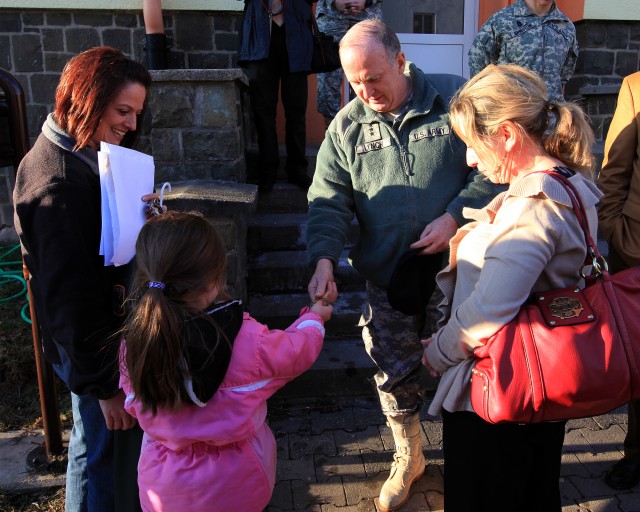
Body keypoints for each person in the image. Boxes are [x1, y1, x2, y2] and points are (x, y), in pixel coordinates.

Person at [306, 19, 503, 512]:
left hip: (458, 275)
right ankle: (409, 455)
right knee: (394, 373)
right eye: (354, 81)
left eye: (374, 77)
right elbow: (328, 201)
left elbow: (498, 165)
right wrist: (324, 258)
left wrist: (455, 215)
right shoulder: (347, 126)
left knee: (465, 370)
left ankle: (471, 463)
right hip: (388, 282)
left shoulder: (453, 99)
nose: (366, 90)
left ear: (400, 61)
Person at [422, 64, 602, 511]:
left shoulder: (534, 205)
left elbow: (489, 308)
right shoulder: (565, 182)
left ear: (505, 134)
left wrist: (438, 351)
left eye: (471, 144)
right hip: (540, 377)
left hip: (501, 393)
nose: (469, 159)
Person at [13, 46, 153, 512]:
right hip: (94, 354)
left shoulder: (80, 150)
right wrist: (106, 386)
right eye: (122, 111)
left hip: (94, 349)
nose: (132, 124)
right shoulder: (56, 183)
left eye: (136, 112)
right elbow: (69, 298)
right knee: (107, 463)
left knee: (88, 448)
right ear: (86, 99)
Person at [119, 211, 336, 511]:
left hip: (164, 489)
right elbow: (296, 350)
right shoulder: (245, 339)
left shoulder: (135, 343)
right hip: (238, 486)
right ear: (214, 279)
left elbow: (131, 401)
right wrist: (315, 316)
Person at [598, 71, 640, 491]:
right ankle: (636, 455)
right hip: (637, 249)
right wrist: (614, 229)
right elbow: (615, 169)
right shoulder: (636, 86)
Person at [237, 0, 315, 193]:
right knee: (263, 114)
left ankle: (297, 169)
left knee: (296, 112)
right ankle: (267, 171)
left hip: (295, 35)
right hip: (260, 37)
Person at [468, 0, 578, 101]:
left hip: (551, 112)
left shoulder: (566, 27)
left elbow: (564, 76)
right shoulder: (501, 21)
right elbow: (480, 72)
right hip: (513, 112)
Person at [314, 0, 383, 128]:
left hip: (366, 17)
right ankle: (332, 135)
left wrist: (366, 1)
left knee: (368, 76)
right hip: (331, 17)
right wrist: (335, 2)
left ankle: (364, 132)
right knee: (328, 80)